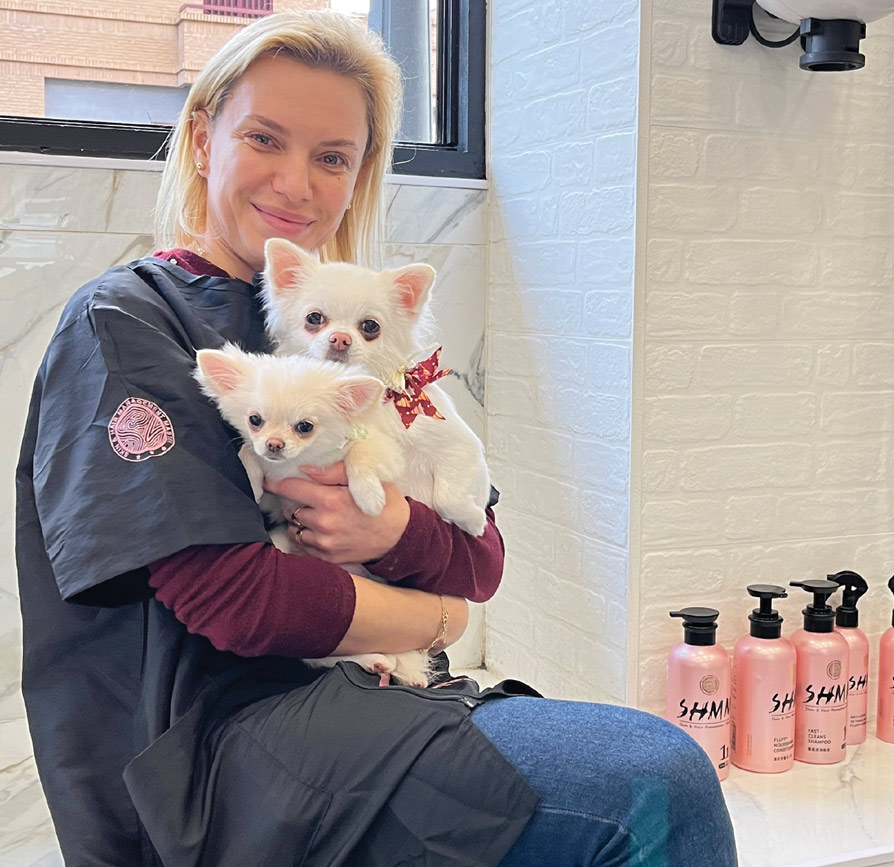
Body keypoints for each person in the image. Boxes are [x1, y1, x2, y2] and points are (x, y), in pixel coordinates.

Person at [15, 10, 737, 867]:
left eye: (333, 157)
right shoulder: (127, 324)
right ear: (205, 140)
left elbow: (481, 557)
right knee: (655, 784)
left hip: (361, 695)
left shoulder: (349, 328)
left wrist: (395, 531)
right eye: (266, 138)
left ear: (359, 176)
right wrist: (435, 612)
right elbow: (237, 602)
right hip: (215, 756)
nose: (297, 182)